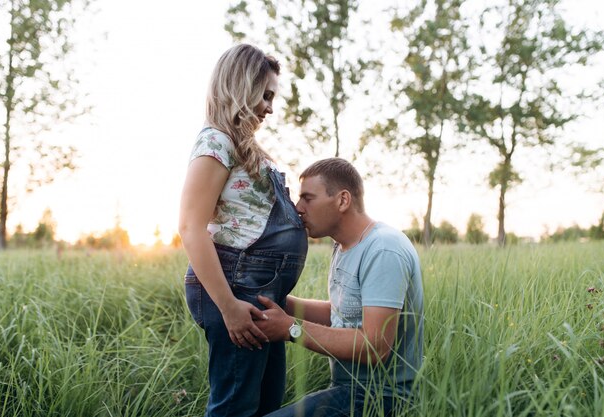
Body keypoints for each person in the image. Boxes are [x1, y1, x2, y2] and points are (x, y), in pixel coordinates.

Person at [178, 44, 308, 417]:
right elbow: (190, 226)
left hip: (259, 293)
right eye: (265, 95)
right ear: (241, 86)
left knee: (266, 404)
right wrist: (229, 307)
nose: (270, 107)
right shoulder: (215, 142)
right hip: (234, 291)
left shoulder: (243, 146)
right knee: (235, 407)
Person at [255, 158, 424, 417]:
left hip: (382, 397)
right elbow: (341, 313)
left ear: (342, 200)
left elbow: (374, 346)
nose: (298, 207)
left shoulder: (383, 249)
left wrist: (290, 328)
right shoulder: (344, 246)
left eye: (308, 199)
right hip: (348, 389)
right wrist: (280, 302)